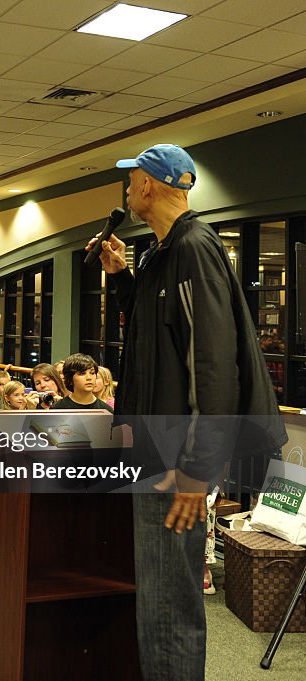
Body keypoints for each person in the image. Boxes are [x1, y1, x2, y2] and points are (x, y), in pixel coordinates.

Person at [93, 143, 286, 680]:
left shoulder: (195, 248)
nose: (128, 191)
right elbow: (160, 334)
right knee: (157, 595)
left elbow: (213, 362)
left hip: (178, 457)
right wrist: (122, 276)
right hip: (157, 444)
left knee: (169, 603)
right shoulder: (160, 252)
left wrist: (198, 471)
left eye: (131, 182)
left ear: (149, 185)